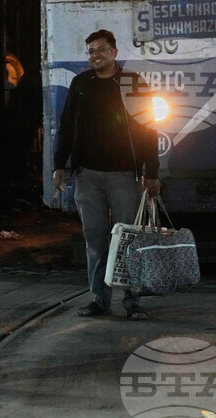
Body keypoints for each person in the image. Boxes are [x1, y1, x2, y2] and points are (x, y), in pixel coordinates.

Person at [53, 29, 160, 321]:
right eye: (90, 51)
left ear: (114, 52)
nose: (94, 56)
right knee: (96, 239)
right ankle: (99, 299)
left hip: (124, 175)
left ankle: (133, 300)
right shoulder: (80, 84)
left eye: (100, 50)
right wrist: (58, 165)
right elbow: (65, 126)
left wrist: (151, 172)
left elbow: (149, 128)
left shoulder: (132, 82)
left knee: (128, 240)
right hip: (87, 175)